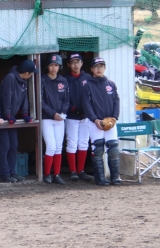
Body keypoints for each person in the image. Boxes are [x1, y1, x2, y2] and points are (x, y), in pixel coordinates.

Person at [0, 59, 37, 183]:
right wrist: (7, 114)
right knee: (5, 146)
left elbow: (24, 98)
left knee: (14, 145)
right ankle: (5, 174)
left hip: (11, 117)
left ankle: (13, 172)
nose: (31, 75)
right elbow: (6, 97)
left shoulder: (23, 81)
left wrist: (25, 113)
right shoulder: (11, 77)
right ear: (27, 73)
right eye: (31, 73)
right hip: (1, 118)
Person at [82, 57, 121, 186]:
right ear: (91, 69)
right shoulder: (87, 85)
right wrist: (95, 119)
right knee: (98, 149)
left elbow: (116, 101)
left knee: (113, 148)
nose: (99, 69)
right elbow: (86, 105)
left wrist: (114, 117)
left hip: (110, 122)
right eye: (96, 67)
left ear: (105, 68)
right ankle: (100, 178)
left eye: (101, 66)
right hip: (95, 122)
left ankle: (115, 177)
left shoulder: (111, 84)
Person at [63, 54, 94, 182]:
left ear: (82, 63)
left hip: (85, 116)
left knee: (84, 142)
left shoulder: (88, 77)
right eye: (73, 62)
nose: (75, 65)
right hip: (71, 116)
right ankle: (73, 171)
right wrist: (73, 108)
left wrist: (88, 110)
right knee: (72, 143)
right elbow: (63, 98)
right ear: (68, 65)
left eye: (78, 62)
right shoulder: (65, 79)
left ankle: (81, 171)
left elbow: (92, 96)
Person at [41, 54, 69, 185]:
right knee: (51, 146)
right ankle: (47, 174)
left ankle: (56, 174)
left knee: (58, 147)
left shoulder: (63, 81)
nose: (53, 68)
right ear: (47, 66)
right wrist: (53, 113)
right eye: (51, 65)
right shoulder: (42, 80)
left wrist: (62, 113)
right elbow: (40, 101)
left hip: (60, 119)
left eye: (56, 65)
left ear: (59, 67)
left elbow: (66, 100)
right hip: (47, 118)